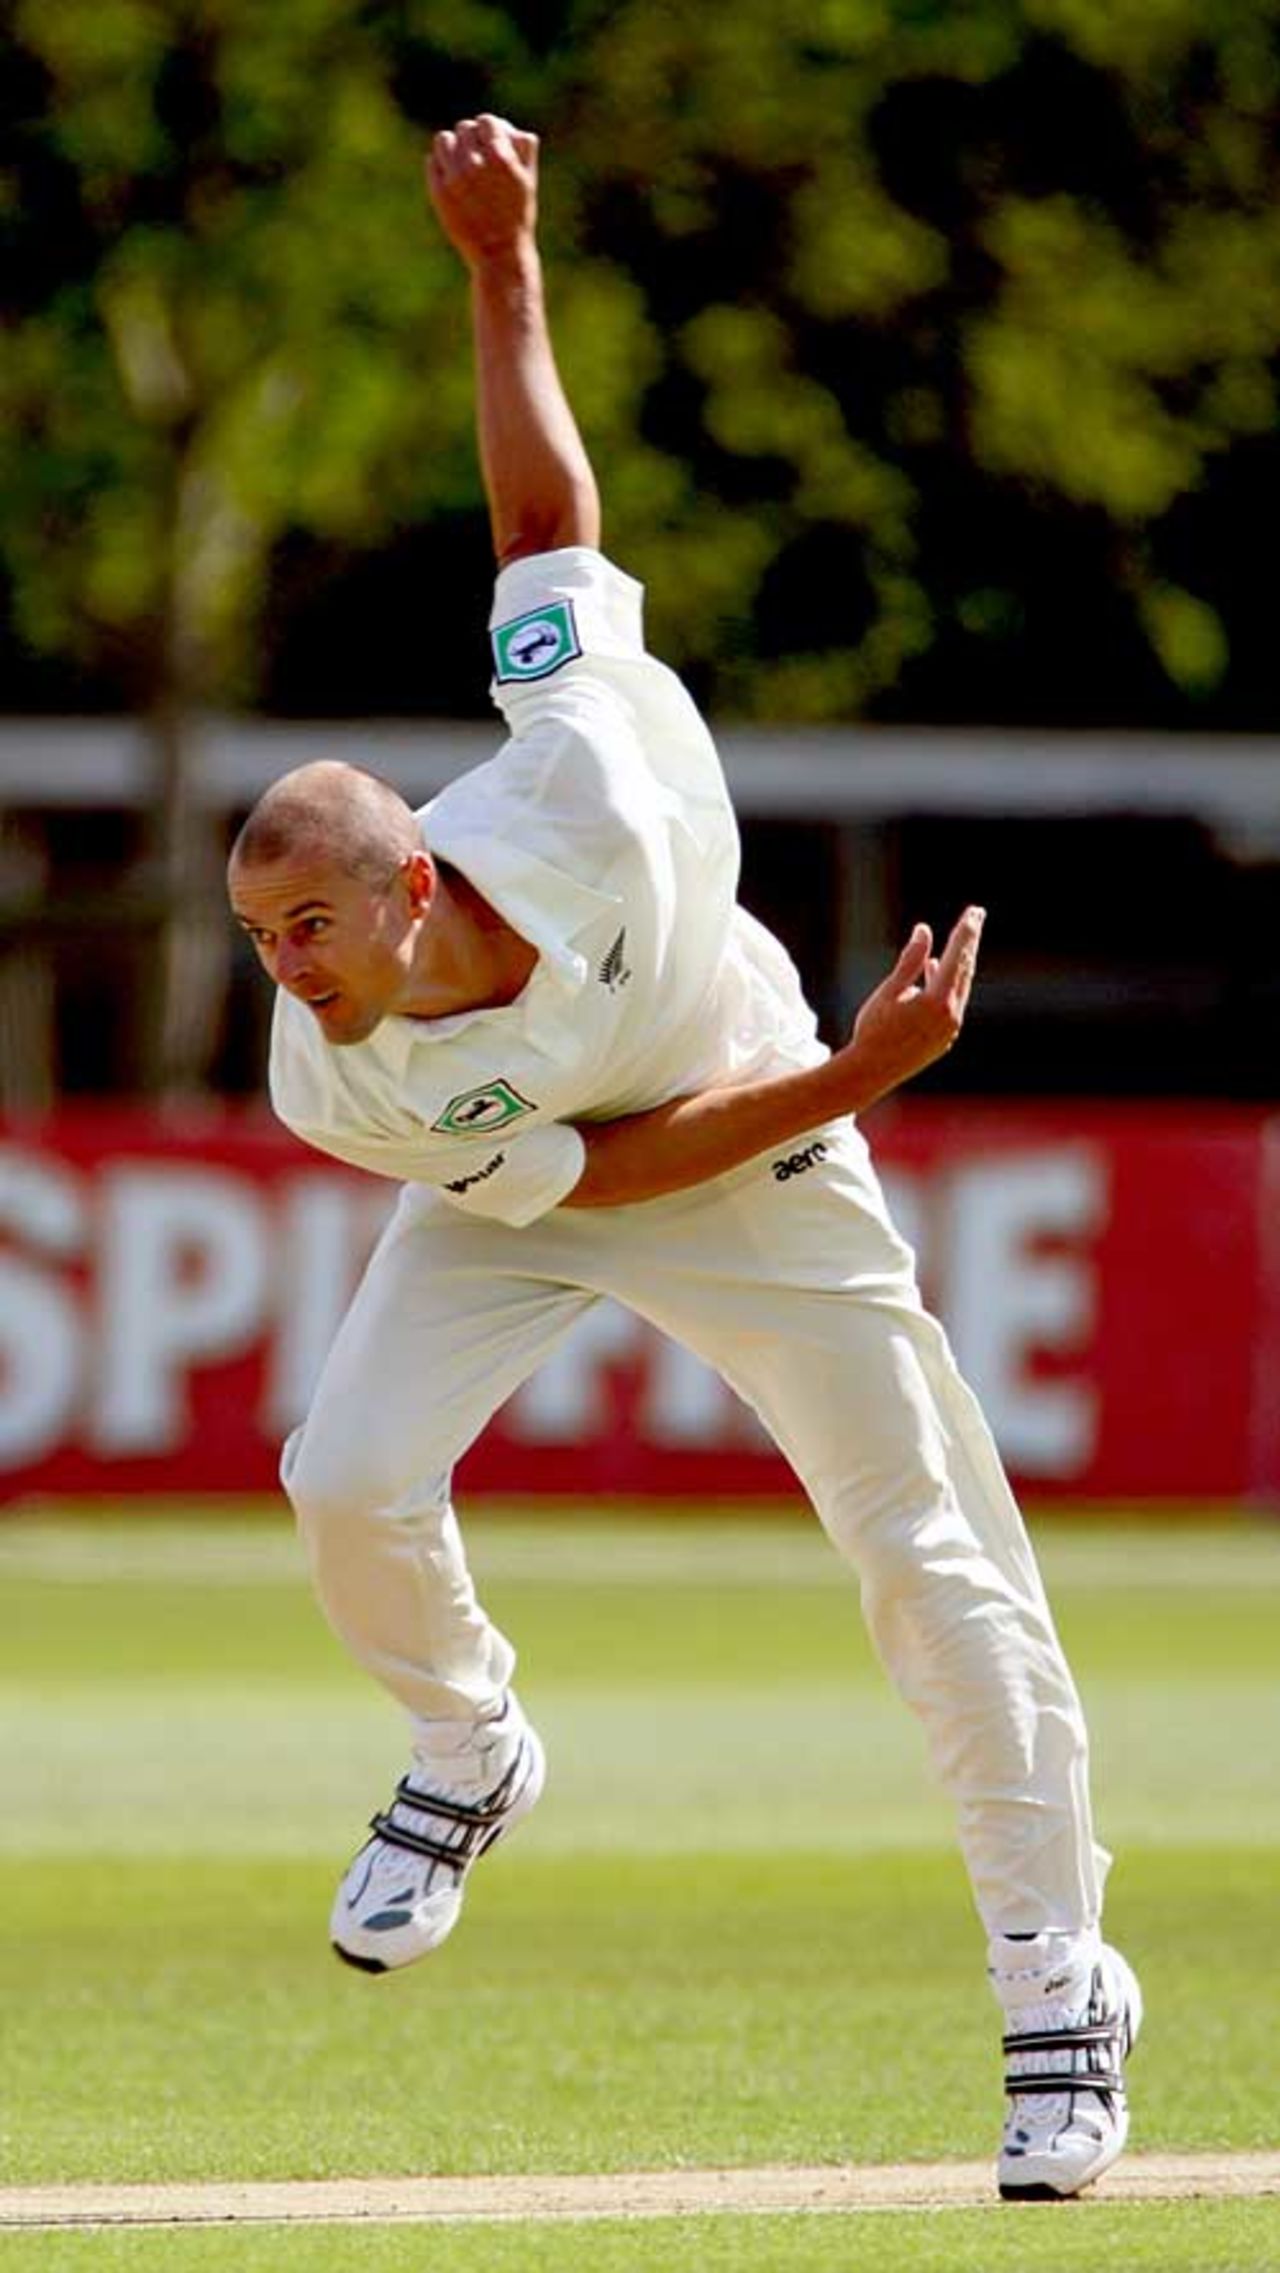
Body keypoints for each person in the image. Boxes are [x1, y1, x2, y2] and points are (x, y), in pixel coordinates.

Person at [227, 115, 1139, 2202]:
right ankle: (469, 1748)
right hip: (573, 1170)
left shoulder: (599, 790)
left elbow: (542, 515)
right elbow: (593, 1191)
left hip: (748, 1116)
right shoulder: (335, 1072)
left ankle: (1058, 1989)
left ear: (416, 883)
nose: (282, 972)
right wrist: (877, 1076)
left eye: (307, 929)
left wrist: (502, 259)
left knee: (925, 1554)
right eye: (258, 941)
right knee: (345, 1472)